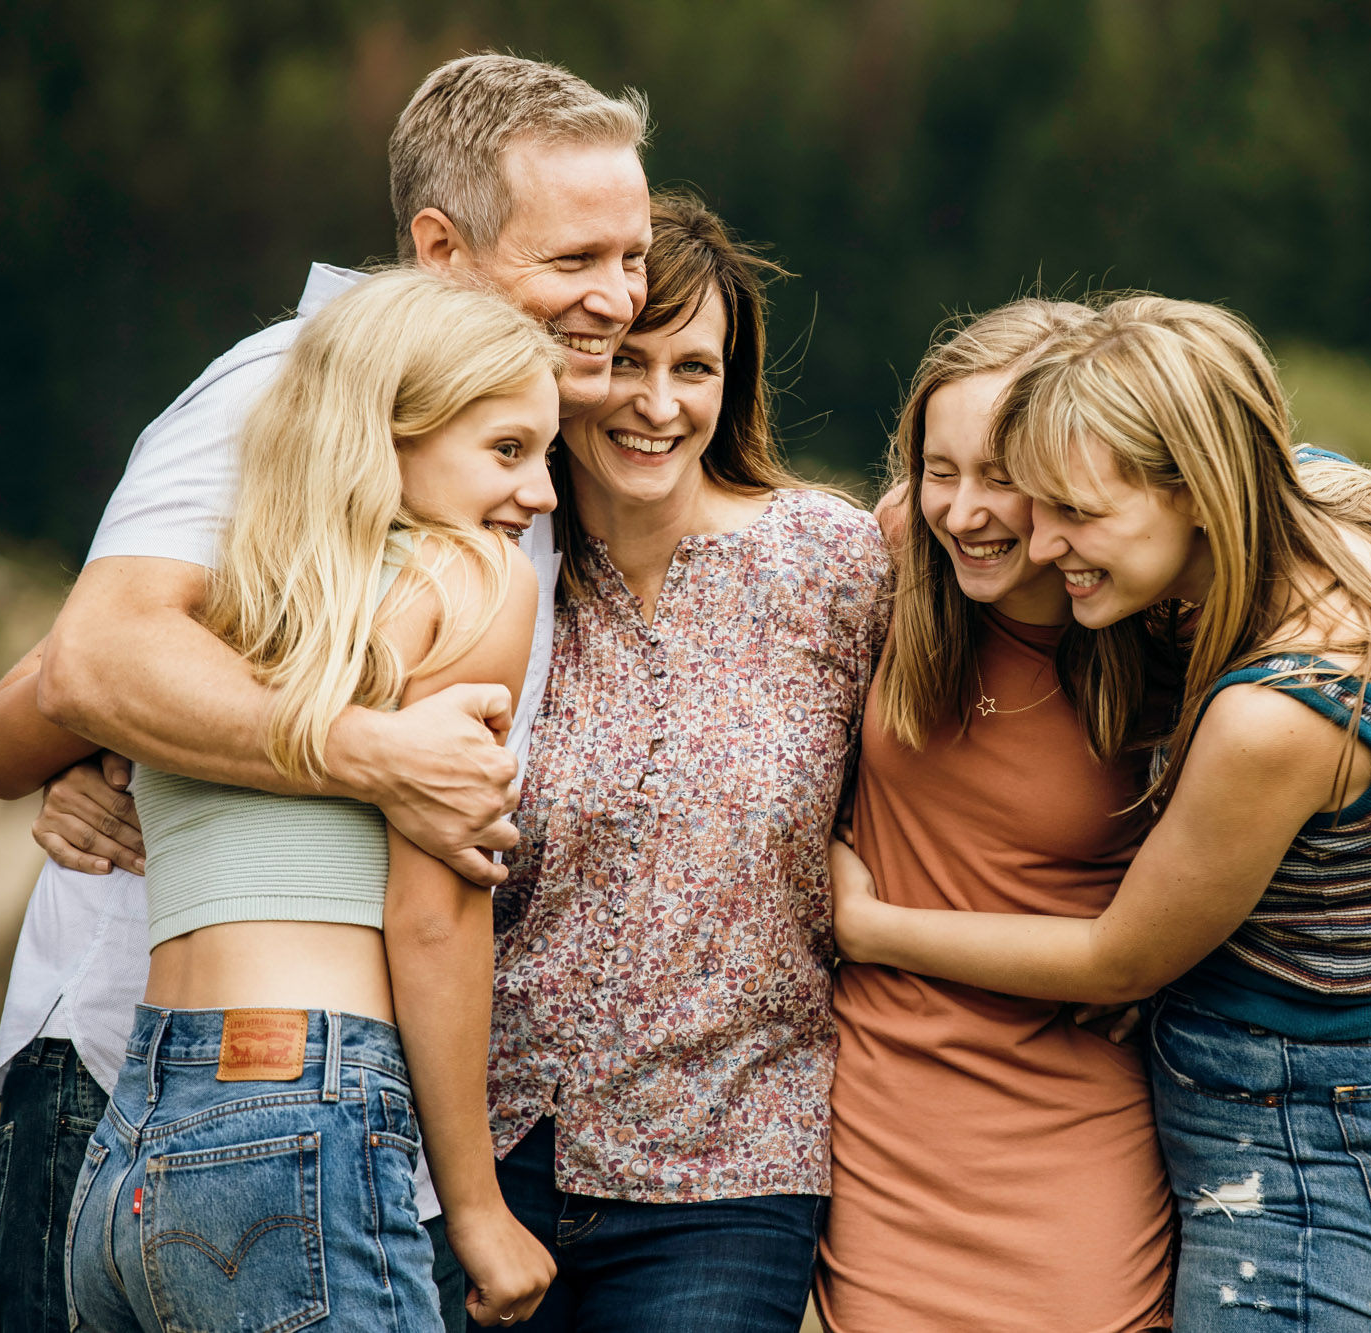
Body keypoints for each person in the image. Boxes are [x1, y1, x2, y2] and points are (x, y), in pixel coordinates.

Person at [0, 53, 650, 1333]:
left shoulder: (472, 445)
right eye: (576, 261)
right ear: (439, 247)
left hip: (165, 1113)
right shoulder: (284, 389)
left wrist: (140, 756)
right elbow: (88, 662)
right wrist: (370, 752)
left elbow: (80, 679)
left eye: (633, 255)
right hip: (196, 1069)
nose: (618, 297)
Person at [816, 298, 1371, 1332]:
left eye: (1060, 503)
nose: (1025, 532)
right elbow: (1324, 831)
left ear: (1188, 490)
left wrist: (865, 925)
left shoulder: (1242, 683)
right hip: (941, 1115)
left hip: (1274, 1131)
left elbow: (1126, 954)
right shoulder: (1298, 509)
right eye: (946, 473)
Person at [45, 270, 556, 1331]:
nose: (542, 493)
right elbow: (433, 914)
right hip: (297, 1106)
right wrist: (476, 1207)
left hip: (130, 1143)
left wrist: (67, 768)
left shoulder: (216, 610)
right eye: (508, 450)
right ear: (389, 434)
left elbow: (41, 691)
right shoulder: (471, 580)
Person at [483, 192, 889, 1333]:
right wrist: (110, 770)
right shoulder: (487, 562)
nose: (657, 405)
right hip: (485, 1147)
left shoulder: (831, 561)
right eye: (622, 361)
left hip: (734, 1165)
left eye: (694, 368)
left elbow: (1007, 741)